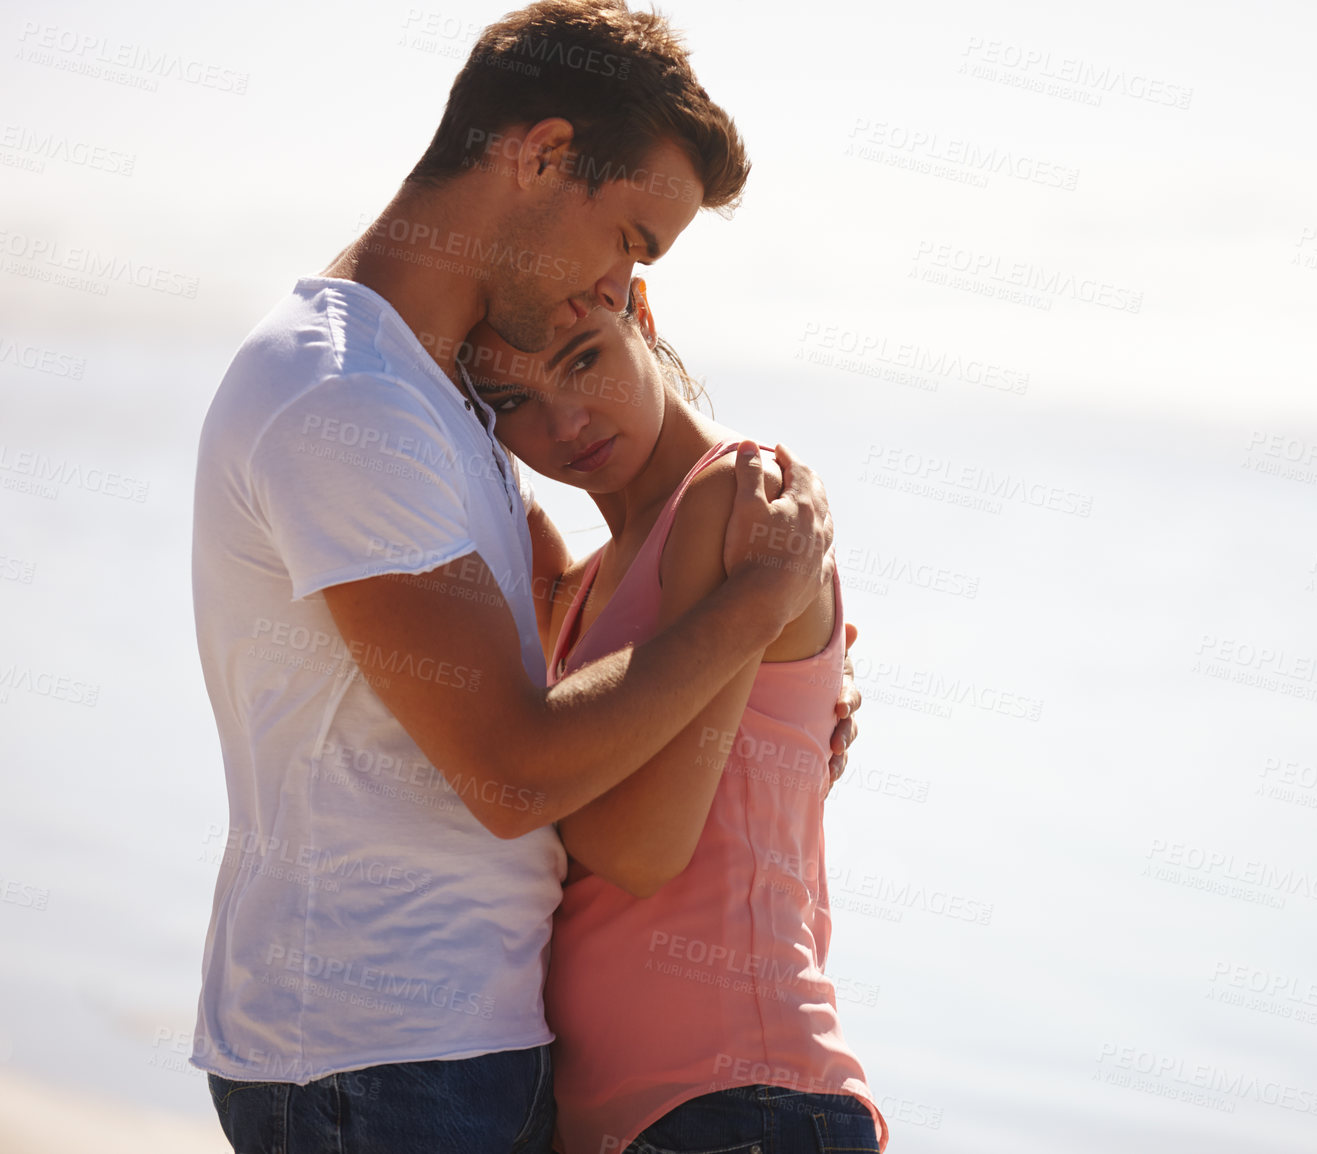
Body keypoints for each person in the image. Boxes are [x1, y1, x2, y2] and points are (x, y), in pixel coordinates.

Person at [187, 4, 860, 1151]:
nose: (616, 279)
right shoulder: (349, 394)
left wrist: (770, 736)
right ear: (543, 153)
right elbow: (512, 768)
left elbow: (585, 748)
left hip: (460, 1048)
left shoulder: (440, 402)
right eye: (633, 237)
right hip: (382, 1051)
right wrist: (748, 611)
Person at [462, 277, 885, 1154]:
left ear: (641, 315)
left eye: (586, 361)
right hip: (643, 1118)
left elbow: (637, 849)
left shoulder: (737, 497)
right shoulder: (580, 591)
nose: (568, 422)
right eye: (513, 401)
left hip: (739, 1100)